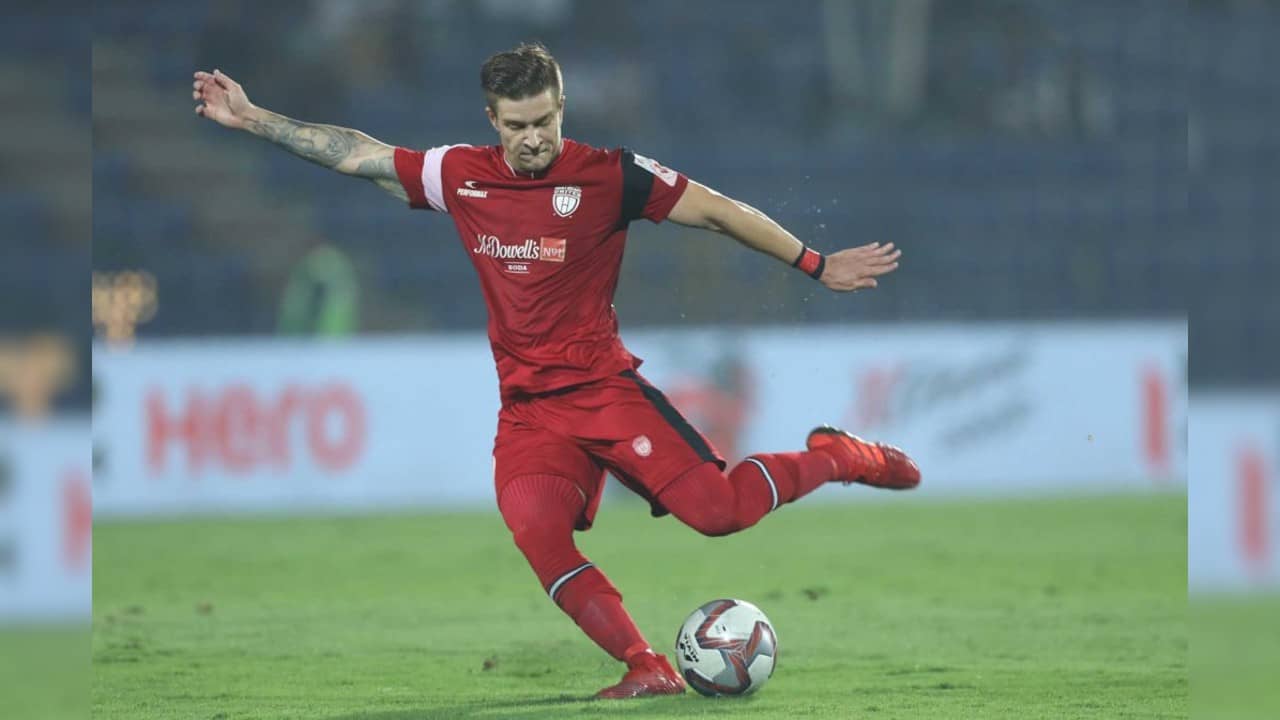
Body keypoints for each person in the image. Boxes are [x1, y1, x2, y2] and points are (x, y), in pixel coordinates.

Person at [193, 42, 920, 700]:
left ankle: (838, 456)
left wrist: (815, 264)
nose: (533, 137)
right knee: (536, 532)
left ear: (562, 108)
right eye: (517, 125)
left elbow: (719, 212)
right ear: (493, 120)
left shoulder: (612, 176)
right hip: (529, 412)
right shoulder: (460, 174)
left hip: (605, 393)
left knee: (719, 513)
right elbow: (361, 155)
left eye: (544, 120)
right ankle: (646, 665)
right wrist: (253, 118)